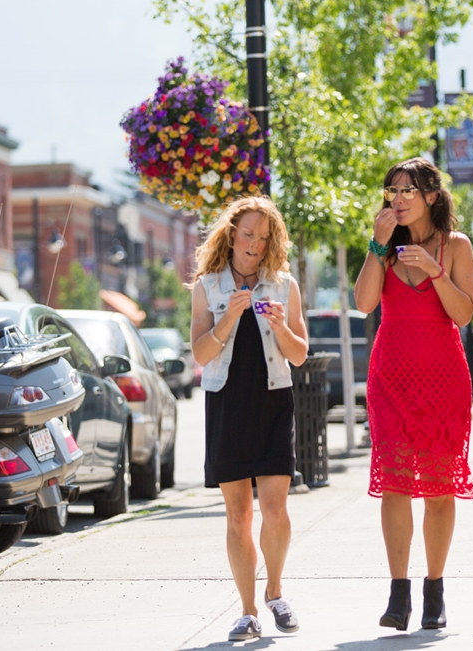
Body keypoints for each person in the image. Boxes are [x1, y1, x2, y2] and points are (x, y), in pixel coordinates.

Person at [354, 157, 473, 632]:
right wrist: (376, 243)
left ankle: (435, 591)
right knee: (396, 484)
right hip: (391, 378)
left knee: (440, 489)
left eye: (408, 190)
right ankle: (398, 593)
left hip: (443, 378)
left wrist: (434, 270)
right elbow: (364, 303)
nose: (398, 199)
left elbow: (463, 314)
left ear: (431, 196)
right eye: (392, 191)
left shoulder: (456, 245)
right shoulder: (384, 249)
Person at [189, 196, 310, 643]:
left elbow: (300, 354)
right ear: (231, 235)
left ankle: (275, 592)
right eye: (248, 235)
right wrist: (228, 320)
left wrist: (280, 327)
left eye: (263, 237)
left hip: (273, 401)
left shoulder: (284, 285)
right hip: (227, 403)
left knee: (275, 509)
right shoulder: (207, 287)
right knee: (237, 514)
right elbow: (200, 353)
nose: (255, 244)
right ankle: (247, 611)